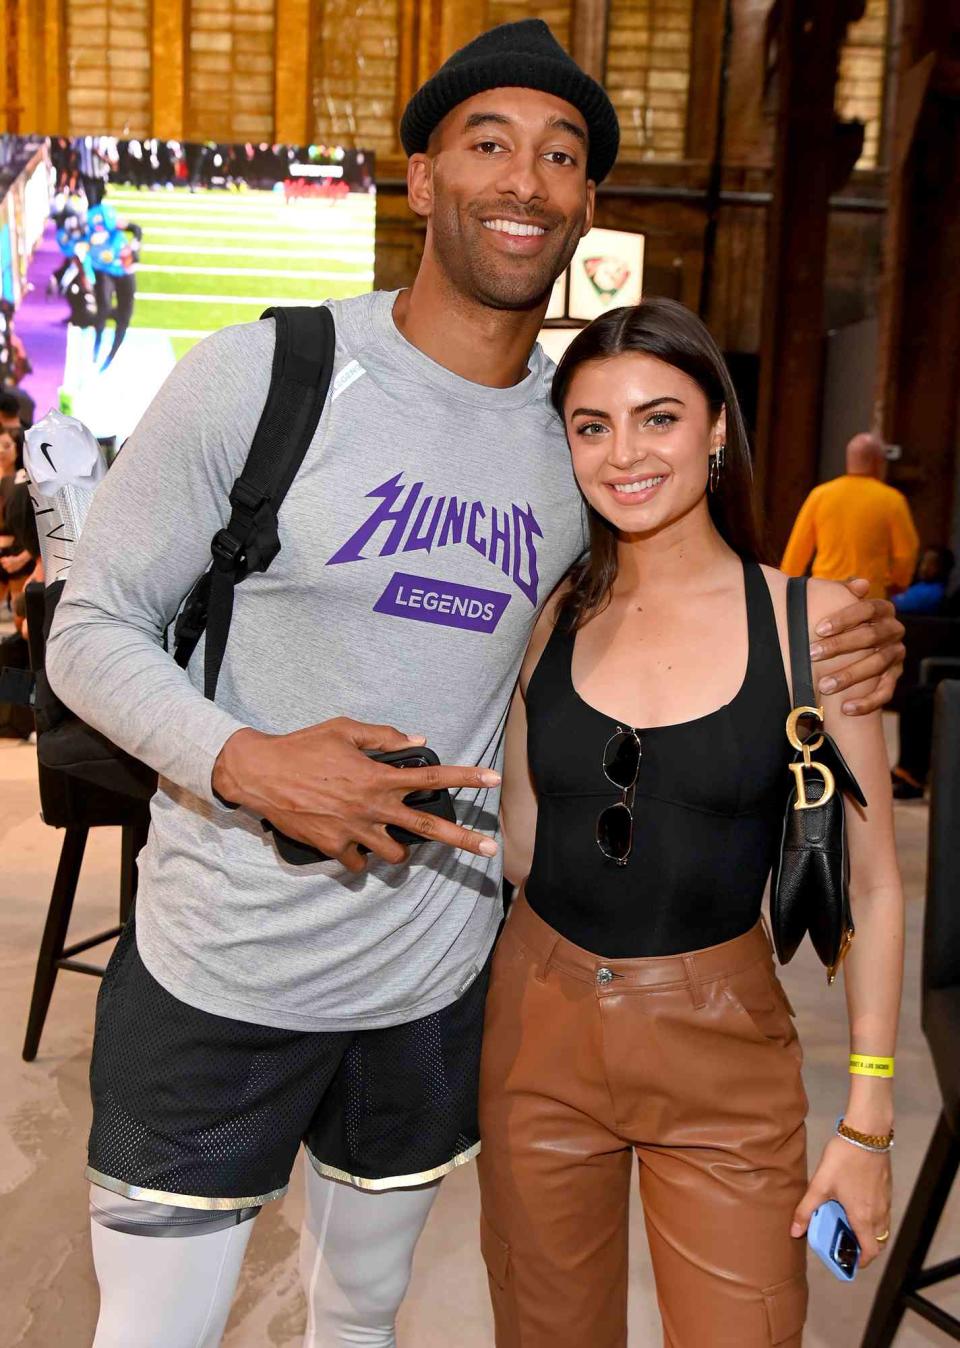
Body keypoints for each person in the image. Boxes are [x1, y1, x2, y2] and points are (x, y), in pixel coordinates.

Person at [46, 21, 905, 1348]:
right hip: (221, 972)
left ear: (585, 205)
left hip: (436, 992)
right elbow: (88, 630)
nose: (525, 178)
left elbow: (669, 587)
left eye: (561, 155)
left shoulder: (572, 436)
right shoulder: (263, 375)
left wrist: (836, 635)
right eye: (489, 143)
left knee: (362, 1316)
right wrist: (245, 760)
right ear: (425, 176)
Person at [479, 299, 904, 1347]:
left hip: (723, 1050)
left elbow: (881, 883)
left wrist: (868, 1117)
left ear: (717, 427)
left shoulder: (821, 625)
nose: (624, 453)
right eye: (591, 425)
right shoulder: (554, 614)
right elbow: (523, 847)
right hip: (536, 1034)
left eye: (658, 417)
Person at [781, 432, 919, 599]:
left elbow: (798, 547)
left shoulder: (820, 495)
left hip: (825, 593)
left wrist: (786, 586)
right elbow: (906, 552)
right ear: (878, 462)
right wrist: (898, 582)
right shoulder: (892, 500)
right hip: (869, 595)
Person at [893, 544, 955, 615]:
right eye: (924, 562)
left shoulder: (935, 592)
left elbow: (898, 606)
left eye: (932, 564)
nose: (924, 568)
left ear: (943, 568)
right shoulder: (920, 585)